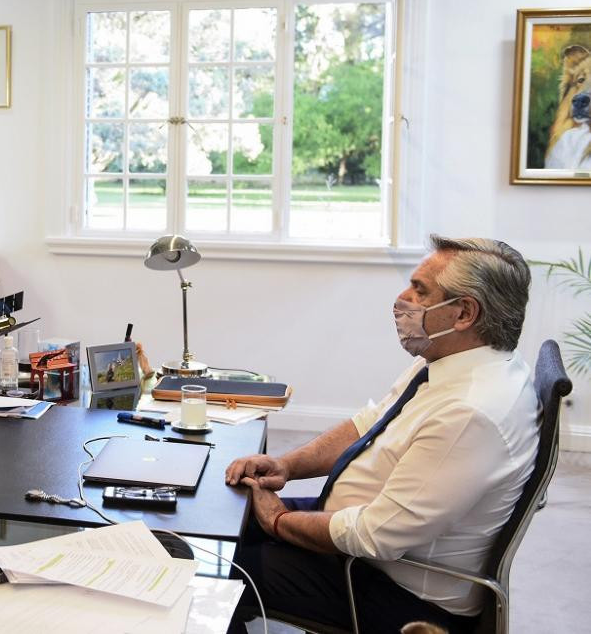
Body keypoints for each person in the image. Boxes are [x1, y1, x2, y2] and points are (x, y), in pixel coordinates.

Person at [224, 236, 539, 633]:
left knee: (217, 564)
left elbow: (375, 536)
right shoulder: (452, 360)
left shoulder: (472, 412)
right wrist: (287, 464)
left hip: (392, 588)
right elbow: (368, 424)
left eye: (420, 290)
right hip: (360, 537)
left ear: (464, 313)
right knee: (222, 513)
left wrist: (279, 522)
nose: (402, 297)